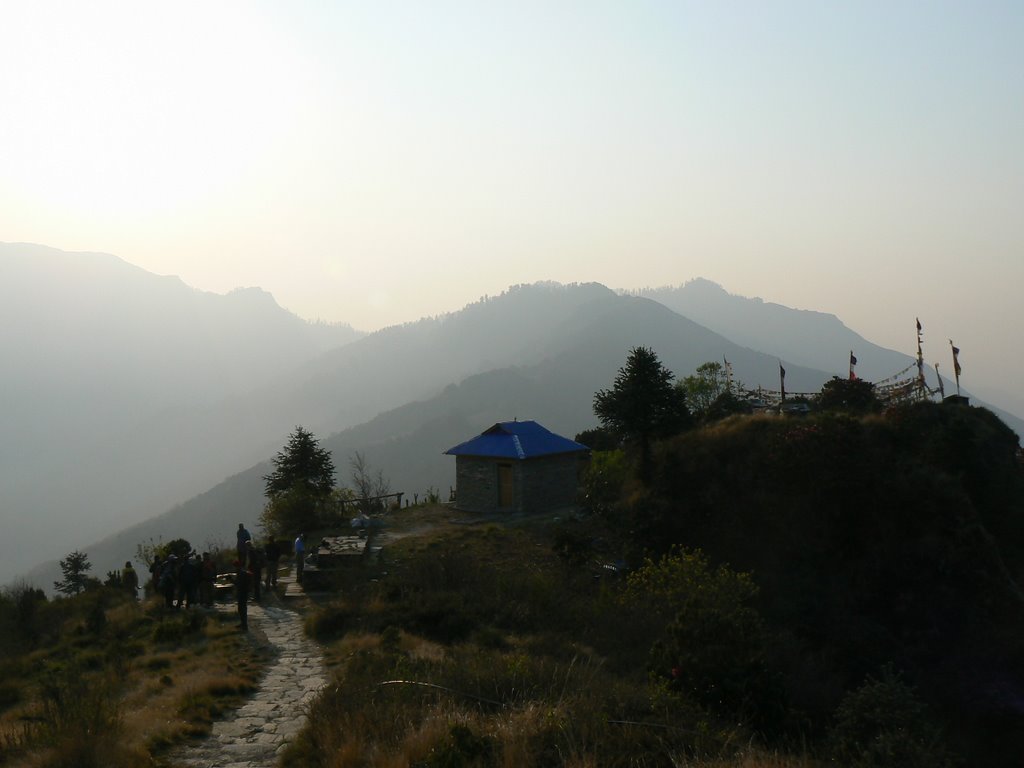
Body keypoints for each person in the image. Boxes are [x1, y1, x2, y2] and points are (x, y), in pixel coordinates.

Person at [234, 560, 250, 631]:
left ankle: (244, 625)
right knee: (241, 609)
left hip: (242, 593)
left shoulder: (241, 573)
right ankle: (243, 623)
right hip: (243, 593)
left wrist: (231, 580)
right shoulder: (241, 572)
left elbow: (239, 584)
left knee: (242, 609)